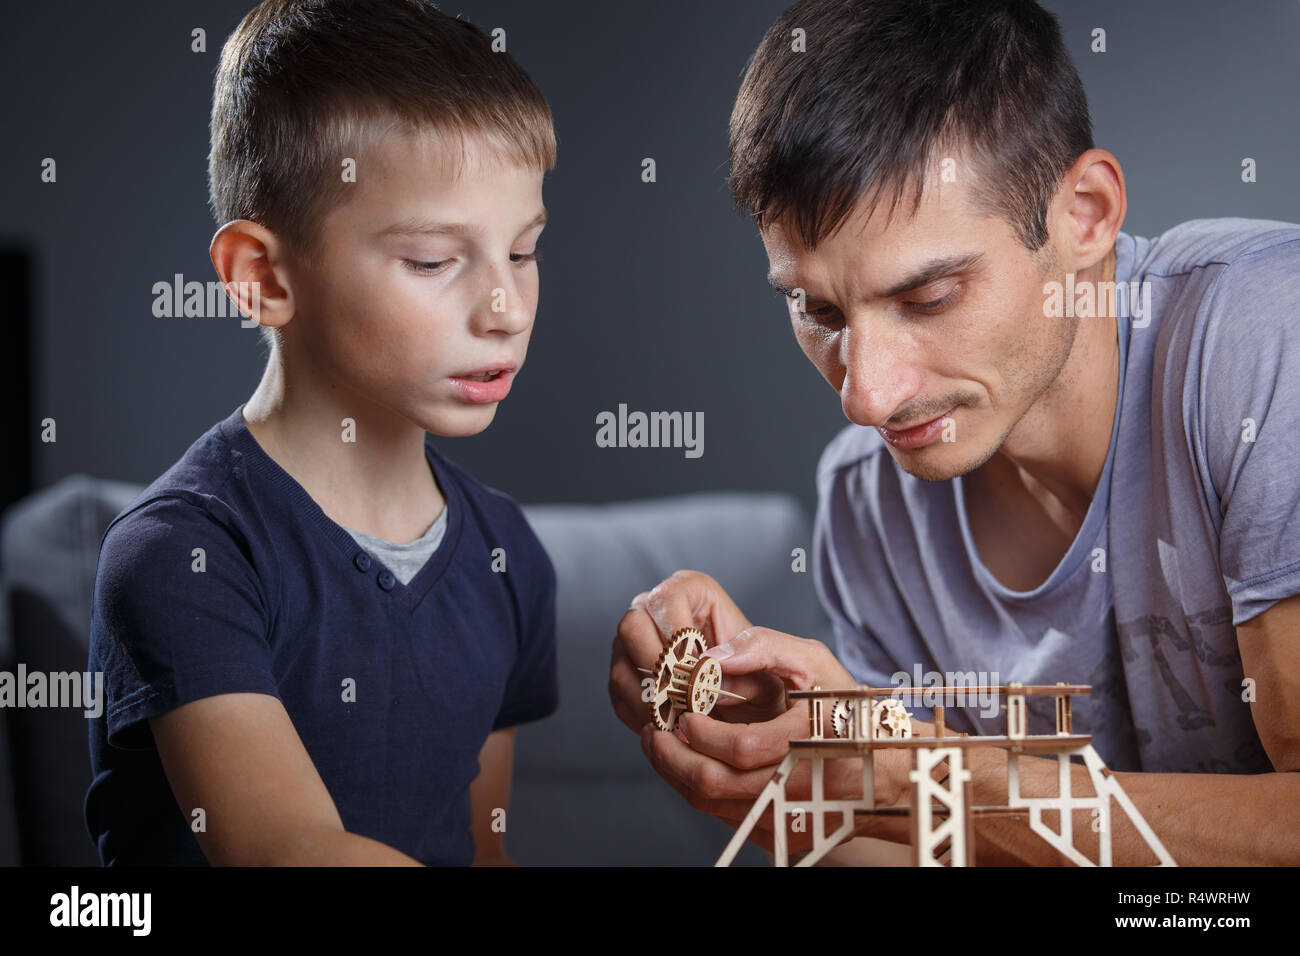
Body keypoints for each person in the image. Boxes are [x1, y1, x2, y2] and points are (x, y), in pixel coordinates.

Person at [610, 0, 1300, 865]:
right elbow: (926, 851)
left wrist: (925, 772)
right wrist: (791, 767)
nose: (866, 396)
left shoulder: (1266, 335)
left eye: (928, 298)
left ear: (1084, 214)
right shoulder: (865, 495)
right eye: (817, 310)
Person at [85, 0, 558, 865]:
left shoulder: (507, 553)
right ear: (262, 278)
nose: (506, 310)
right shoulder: (181, 556)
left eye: (522, 251)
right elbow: (286, 850)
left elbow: (482, 846)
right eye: (431, 260)